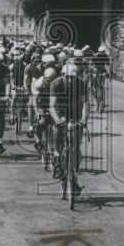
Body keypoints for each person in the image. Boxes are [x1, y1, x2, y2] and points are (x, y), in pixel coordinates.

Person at [49, 57, 90, 196]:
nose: (70, 80)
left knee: (76, 147)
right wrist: (56, 120)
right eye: (67, 77)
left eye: (73, 77)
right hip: (60, 111)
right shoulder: (56, 83)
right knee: (57, 129)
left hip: (75, 112)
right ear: (62, 75)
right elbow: (51, 106)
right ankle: (56, 152)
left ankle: (74, 175)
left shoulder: (81, 83)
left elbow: (85, 103)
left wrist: (84, 119)